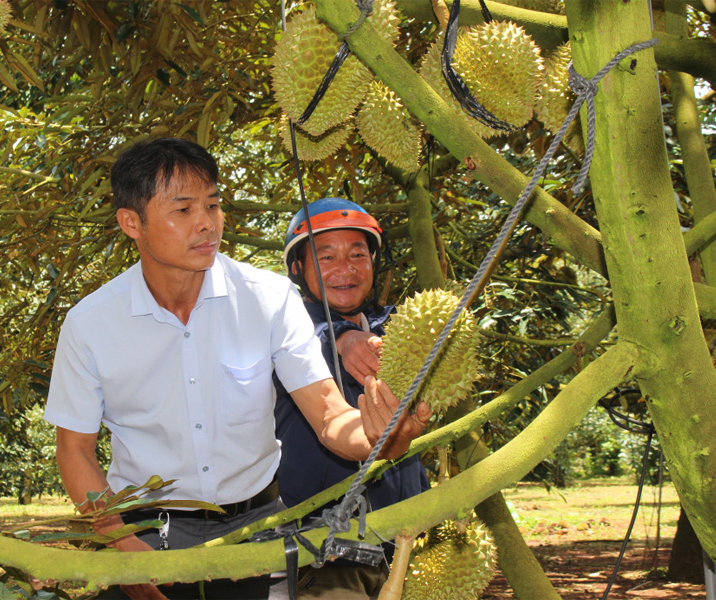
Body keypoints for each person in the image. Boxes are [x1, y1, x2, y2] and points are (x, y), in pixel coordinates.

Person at [43, 139, 430, 600]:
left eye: (213, 204)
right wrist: (122, 544)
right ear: (132, 223)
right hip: (145, 532)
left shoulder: (267, 299)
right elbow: (75, 452)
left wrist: (378, 438)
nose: (207, 223)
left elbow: (330, 416)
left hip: (256, 530)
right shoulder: (92, 323)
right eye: (183, 209)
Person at [275, 198, 430, 599]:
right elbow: (312, 340)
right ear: (297, 269)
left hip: (404, 542)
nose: (346, 269)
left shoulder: (399, 326)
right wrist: (341, 337)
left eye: (358, 254)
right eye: (326, 257)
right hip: (326, 554)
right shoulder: (283, 334)